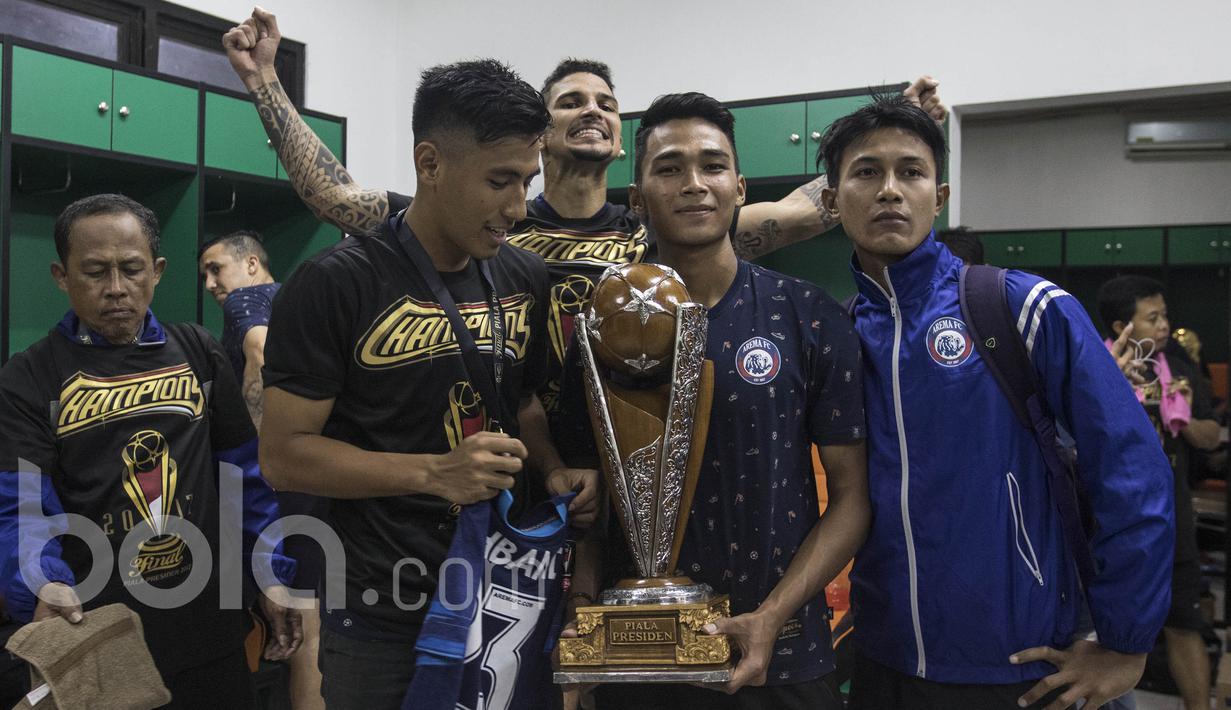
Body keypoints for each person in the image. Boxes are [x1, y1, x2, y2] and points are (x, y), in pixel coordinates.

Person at [221, 6, 946, 424]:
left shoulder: (658, 229)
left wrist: (898, 133)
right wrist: (265, 86)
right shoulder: (486, 223)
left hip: (636, 447)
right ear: (538, 128)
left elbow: (804, 211)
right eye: (570, 100)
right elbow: (335, 196)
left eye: (605, 101)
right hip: (519, 448)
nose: (592, 109)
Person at [257, 59, 598, 709]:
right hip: (384, 612)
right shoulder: (335, 283)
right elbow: (283, 456)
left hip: (500, 599)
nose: (517, 207)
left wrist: (551, 467)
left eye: (526, 181)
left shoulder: (522, 276)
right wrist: (433, 473)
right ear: (430, 163)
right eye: (499, 181)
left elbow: (524, 401)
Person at [815, 97, 1175, 709]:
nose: (890, 191)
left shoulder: (1021, 307)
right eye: (867, 172)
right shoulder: (839, 333)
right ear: (831, 199)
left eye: (912, 171)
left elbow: (1131, 467)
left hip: (1019, 661)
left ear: (942, 193)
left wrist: (1126, 641)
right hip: (883, 659)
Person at [558, 92, 868, 710]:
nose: (694, 184)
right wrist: (582, 610)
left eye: (713, 165)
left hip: (783, 657)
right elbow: (589, 500)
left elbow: (853, 498)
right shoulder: (597, 328)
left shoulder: (806, 316)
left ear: (740, 187)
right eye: (669, 168)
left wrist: (772, 617)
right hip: (639, 664)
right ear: (637, 198)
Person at [0, 193, 302, 708]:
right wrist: (42, 584)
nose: (116, 288)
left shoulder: (199, 353)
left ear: (157, 271)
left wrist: (270, 572)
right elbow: (20, 507)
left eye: (132, 269)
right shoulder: (27, 378)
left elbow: (243, 480)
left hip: (210, 629)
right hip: (103, 642)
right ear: (61, 275)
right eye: (94, 271)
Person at [199, 230, 326, 710]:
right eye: (206, 274)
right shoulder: (301, 300)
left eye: (217, 268)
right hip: (321, 475)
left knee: (302, 621)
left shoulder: (246, 301)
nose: (212, 283)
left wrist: (263, 453)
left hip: (280, 481)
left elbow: (262, 353)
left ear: (252, 263)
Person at [1097, 275, 1219, 710]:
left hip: (1174, 515)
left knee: (1183, 623)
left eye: (1164, 315)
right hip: (1114, 519)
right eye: (1153, 318)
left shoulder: (1180, 366)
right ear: (1120, 328)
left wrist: (1180, 419)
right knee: (1105, 629)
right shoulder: (1094, 365)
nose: (1165, 325)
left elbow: (1209, 436)